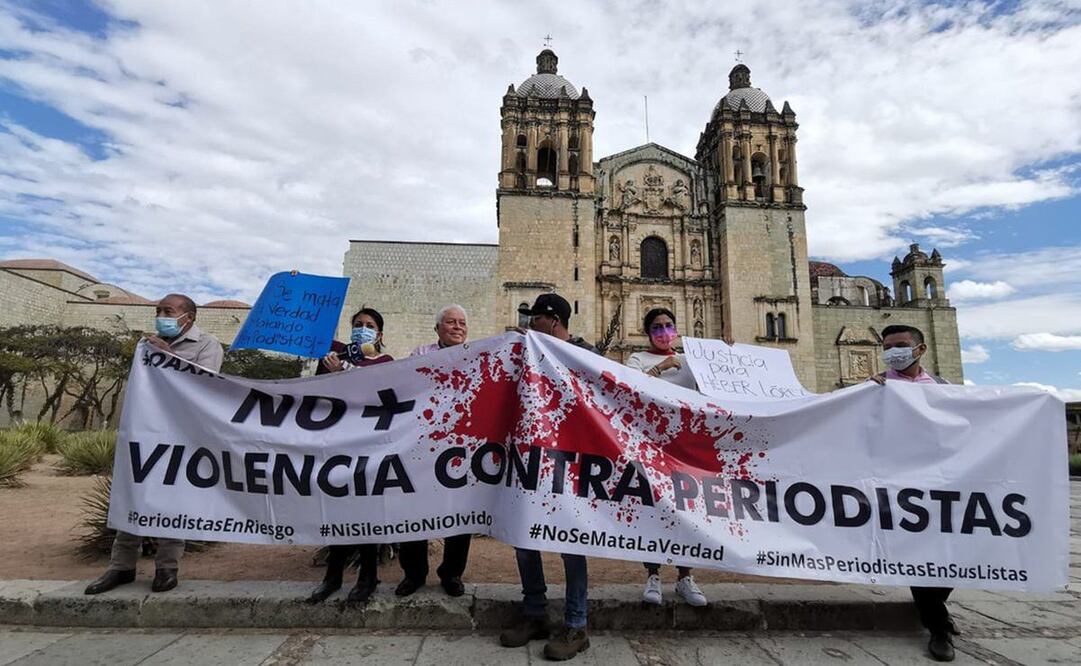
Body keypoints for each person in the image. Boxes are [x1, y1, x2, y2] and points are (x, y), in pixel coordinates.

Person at [85, 294, 223, 595]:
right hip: (145, 431)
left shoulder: (207, 345)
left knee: (173, 499)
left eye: (168, 311)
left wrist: (170, 357)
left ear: (189, 317)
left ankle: (167, 569)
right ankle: (121, 567)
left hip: (182, 434)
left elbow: (207, 384)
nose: (161, 315)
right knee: (132, 492)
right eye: (158, 310)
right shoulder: (145, 344)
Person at [499, 293, 596, 661]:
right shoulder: (525, 351)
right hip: (532, 461)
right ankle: (535, 613)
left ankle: (577, 624)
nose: (529, 323)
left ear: (553, 321)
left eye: (534, 317)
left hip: (573, 464)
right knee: (525, 538)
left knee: (572, 542)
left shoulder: (586, 354)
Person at [869, 324, 958, 662]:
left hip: (942, 483)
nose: (893, 351)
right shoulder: (876, 386)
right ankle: (939, 627)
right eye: (888, 346)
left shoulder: (943, 388)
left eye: (901, 345)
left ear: (920, 349)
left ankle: (936, 609)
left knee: (952, 555)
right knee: (917, 554)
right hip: (899, 486)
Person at [307, 307, 394, 606]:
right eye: (358, 324)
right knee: (336, 513)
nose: (363, 328)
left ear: (379, 334)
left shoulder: (385, 362)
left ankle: (367, 577)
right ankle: (332, 577)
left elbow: (375, 393)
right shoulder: (335, 355)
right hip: (337, 445)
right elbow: (317, 395)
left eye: (370, 325)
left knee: (366, 514)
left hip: (369, 447)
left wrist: (341, 373)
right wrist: (327, 368)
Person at [625, 307, 707, 607]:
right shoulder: (636, 360)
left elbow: (713, 389)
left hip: (684, 447)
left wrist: (725, 357)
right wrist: (661, 367)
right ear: (648, 332)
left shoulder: (691, 362)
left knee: (687, 512)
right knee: (653, 510)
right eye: (657, 327)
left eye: (668, 326)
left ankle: (686, 577)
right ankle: (653, 575)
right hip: (649, 446)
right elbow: (630, 391)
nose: (663, 332)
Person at [396, 305, 472, 597]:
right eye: (451, 322)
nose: (457, 327)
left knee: (461, 512)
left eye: (462, 323)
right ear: (438, 328)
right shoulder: (420, 355)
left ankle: (451, 573)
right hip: (422, 445)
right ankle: (413, 574)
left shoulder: (477, 355)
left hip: (461, 447)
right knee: (413, 508)